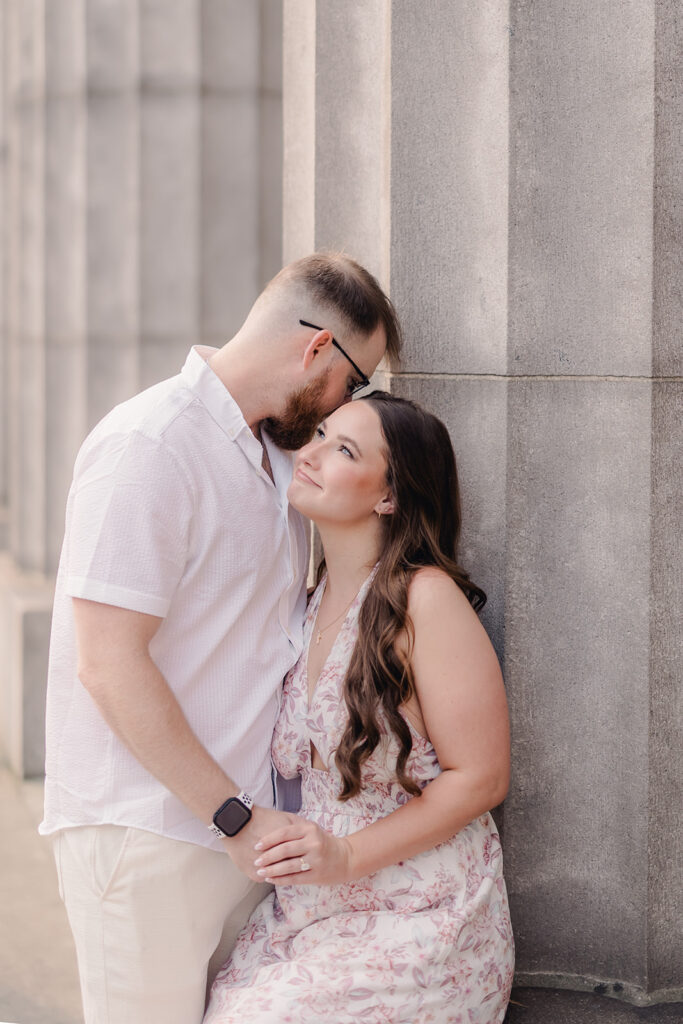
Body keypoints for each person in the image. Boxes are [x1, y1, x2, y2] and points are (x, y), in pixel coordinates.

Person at [39, 253, 401, 1024]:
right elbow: (107, 663)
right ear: (314, 352)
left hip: (242, 837)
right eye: (355, 381)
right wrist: (231, 816)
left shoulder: (279, 457)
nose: (346, 405)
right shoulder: (149, 445)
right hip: (148, 833)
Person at [204, 392, 515, 1024]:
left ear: (389, 496)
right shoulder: (309, 598)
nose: (309, 453)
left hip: (422, 912)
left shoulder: (426, 600)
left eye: (342, 449)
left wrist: (345, 857)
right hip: (314, 906)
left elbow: (481, 778)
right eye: (317, 434)